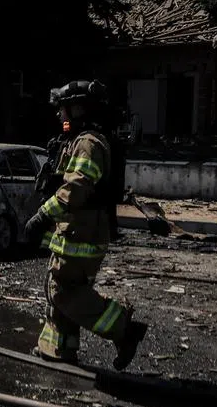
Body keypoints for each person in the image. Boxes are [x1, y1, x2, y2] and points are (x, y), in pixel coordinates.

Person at [24, 80, 147, 369]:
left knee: (64, 291)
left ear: (78, 109)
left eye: (63, 109)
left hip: (83, 232)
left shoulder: (89, 144)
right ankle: (58, 350)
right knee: (56, 288)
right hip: (73, 231)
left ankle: (123, 328)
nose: (60, 116)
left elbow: (77, 188)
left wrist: (42, 215)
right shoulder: (77, 141)